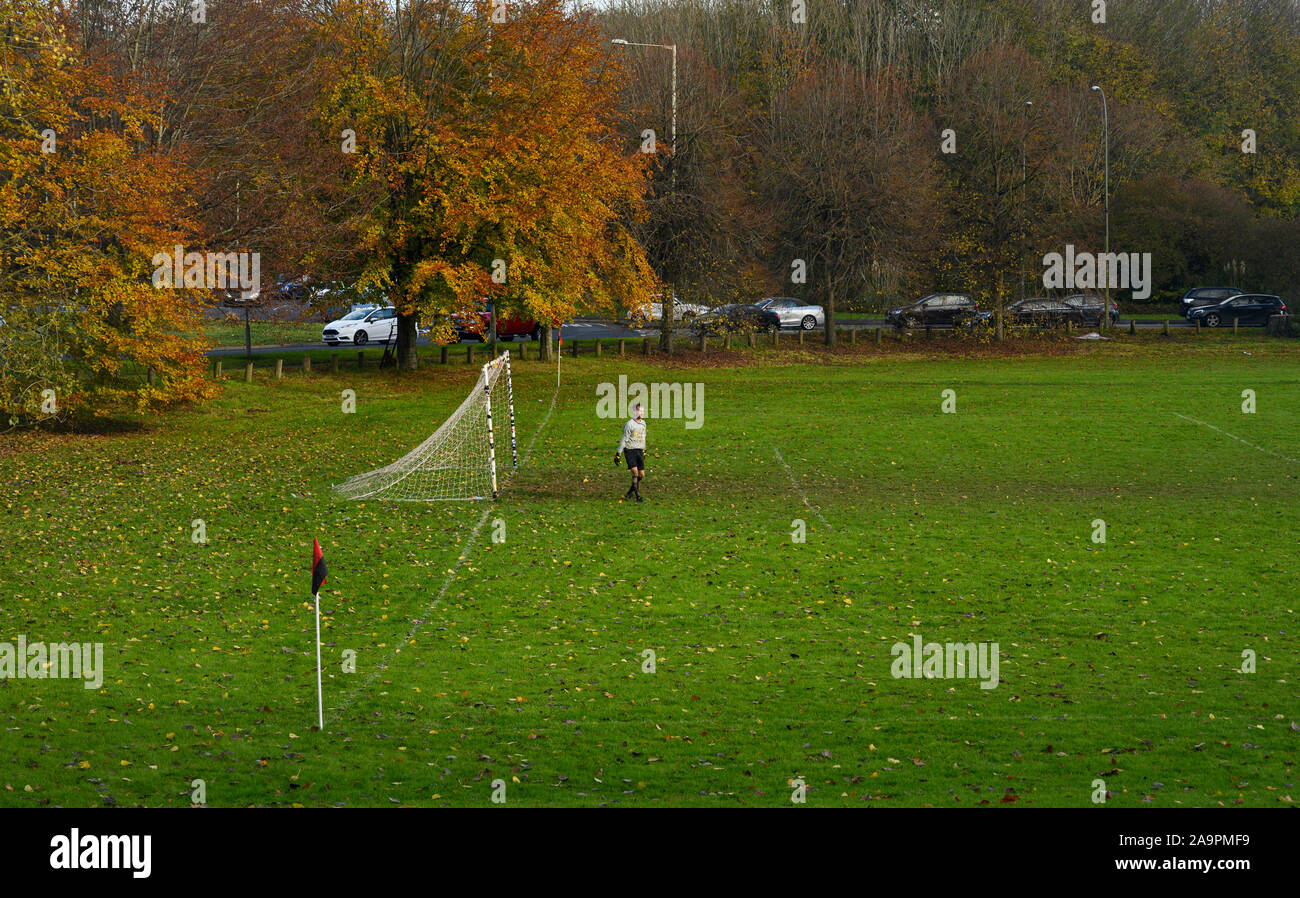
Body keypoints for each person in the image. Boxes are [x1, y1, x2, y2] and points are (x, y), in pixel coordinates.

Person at [614, 402, 647, 502]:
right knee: (635, 472)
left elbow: (643, 437)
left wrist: (644, 450)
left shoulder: (643, 423)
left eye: (643, 411)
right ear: (634, 411)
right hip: (630, 451)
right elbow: (624, 439)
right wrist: (618, 454)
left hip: (639, 451)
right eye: (639, 410)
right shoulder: (629, 424)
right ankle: (638, 496)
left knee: (641, 475)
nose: (642, 413)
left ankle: (629, 493)